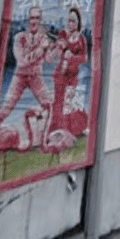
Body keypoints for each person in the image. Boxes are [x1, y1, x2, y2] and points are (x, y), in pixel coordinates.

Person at [0, 7, 54, 127]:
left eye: (37, 18)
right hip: (20, 77)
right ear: (28, 20)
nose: (34, 21)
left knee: (50, 105)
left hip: (36, 77)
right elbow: (22, 62)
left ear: (41, 20)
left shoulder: (43, 38)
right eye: (32, 18)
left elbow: (48, 60)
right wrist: (41, 49)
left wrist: (56, 48)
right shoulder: (19, 37)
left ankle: (50, 133)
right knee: (7, 106)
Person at [43, 8, 87, 150]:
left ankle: (75, 130)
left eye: (73, 21)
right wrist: (55, 51)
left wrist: (72, 57)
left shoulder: (81, 39)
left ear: (78, 22)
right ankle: (53, 133)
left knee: (71, 103)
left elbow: (84, 58)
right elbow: (58, 46)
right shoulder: (63, 34)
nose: (71, 23)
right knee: (58, 104)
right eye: (69, 20)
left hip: (73, 76)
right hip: (61, 74)